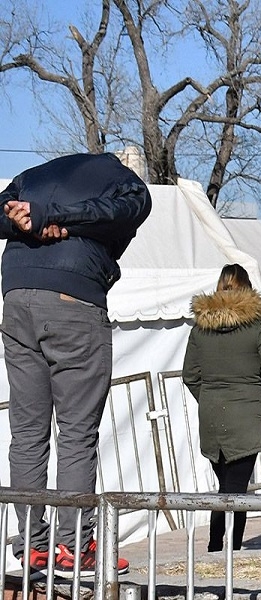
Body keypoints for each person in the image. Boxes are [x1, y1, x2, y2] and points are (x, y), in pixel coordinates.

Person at [0, 153, 151, 577]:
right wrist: (51, 218)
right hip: (73, 297)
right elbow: (120, 210)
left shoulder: (31, 177)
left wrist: (27, 219)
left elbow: (6, 211)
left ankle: (32, 545)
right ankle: (73, 545)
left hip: (16, 295)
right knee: (77, 433)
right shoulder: (127, 183)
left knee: (27, 431)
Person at [182, 264, 261, 551]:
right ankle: (228, 548)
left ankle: (218, 545)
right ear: (246, 289)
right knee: (237, 490)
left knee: (226, 486)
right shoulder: (256, 328)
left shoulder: (200, 329)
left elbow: (189, 376)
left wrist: (209, 399)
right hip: (247, 416)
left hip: (213, 418)